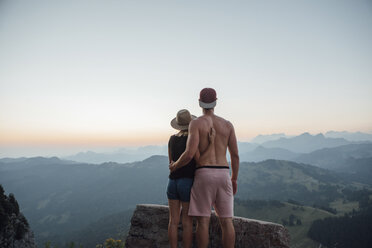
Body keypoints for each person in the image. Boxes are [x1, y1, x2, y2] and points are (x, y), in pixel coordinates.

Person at [169, 88, 239, 248]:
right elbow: (235, 156)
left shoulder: (196, 123)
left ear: (199, 103)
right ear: (216, 102)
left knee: (203, 222)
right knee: (227, 222)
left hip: (204, 174)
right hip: (223, 173)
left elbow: (189, 154)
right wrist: (234, 178)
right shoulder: (227, 125)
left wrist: (174, 166)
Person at [167, 109, 215, 248]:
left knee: (173, 221)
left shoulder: (172, 139)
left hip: (172, 182)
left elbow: (171, 163)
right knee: (187, 223)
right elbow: (200, 161)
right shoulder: (192, 139)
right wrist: (211, 143)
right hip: (187, 182)